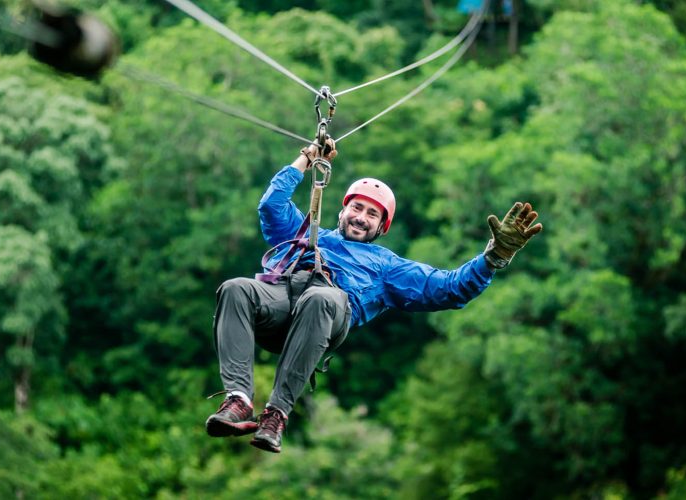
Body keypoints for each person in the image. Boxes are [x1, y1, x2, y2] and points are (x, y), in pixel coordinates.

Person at [205, 139, 543, 453]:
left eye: (372, 214)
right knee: (235, 287)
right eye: (357, 208)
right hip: (280, 303)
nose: (361, 218)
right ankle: (237, 399)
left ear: (382, 227)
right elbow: (271, 204)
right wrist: (307, 159)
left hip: (326, 313)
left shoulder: (386, 266)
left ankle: (277, 413)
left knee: (321, 299)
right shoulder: (308, 232)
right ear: (342, 211)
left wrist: (495, 256)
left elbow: (451, 288)